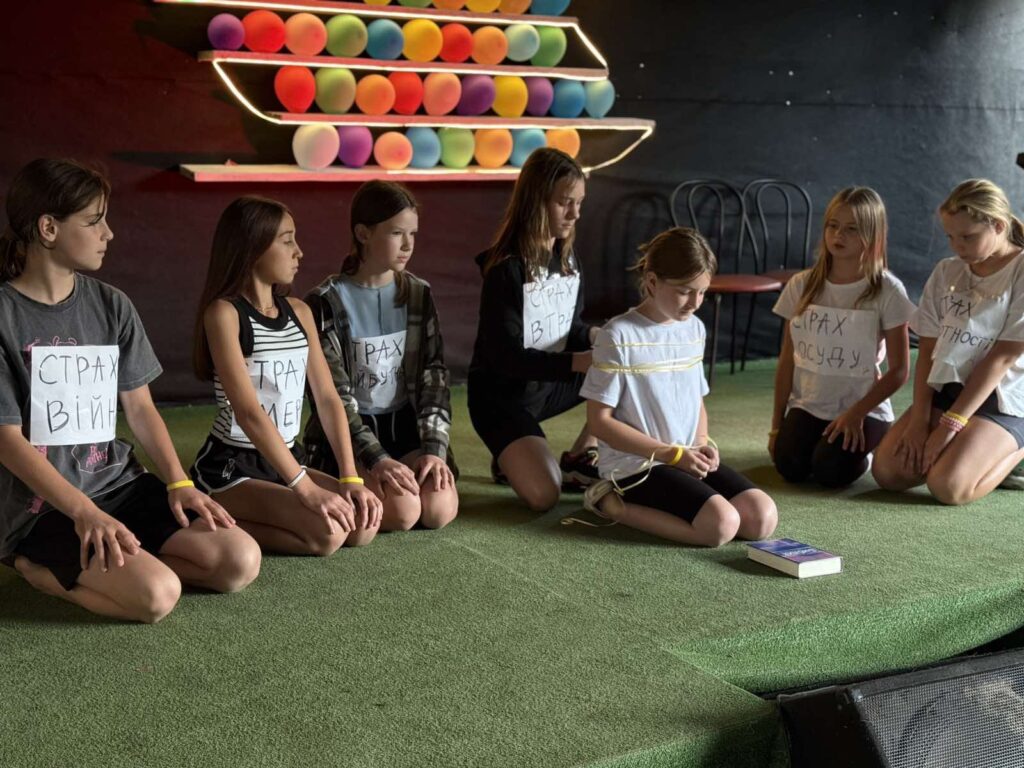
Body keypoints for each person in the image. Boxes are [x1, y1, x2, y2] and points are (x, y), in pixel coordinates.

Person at [0, 159, 260, 622]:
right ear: (48, 228)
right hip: (43, 507)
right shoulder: (5, 315)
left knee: (238, 561)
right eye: (93, 221)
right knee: (156, 596)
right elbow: (6, 440)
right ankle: (31, 565)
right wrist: (84, 512)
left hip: (119, 484)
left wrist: (179, 483)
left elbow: (140, 408)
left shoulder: (112, 304)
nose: (109, 233)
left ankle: (126, 563)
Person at [190, 196, 381, 553]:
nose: (299, 252)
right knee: (329, 535)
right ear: (253, 246)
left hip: (288, 458)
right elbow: (248, 412)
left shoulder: (299, 311)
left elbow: (328, 398)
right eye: (287, 240)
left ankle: (264, 511)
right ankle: (209, 512)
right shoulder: (224, 314)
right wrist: (304, 488)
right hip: (234, 465)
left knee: (360, 526)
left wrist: (350, 476)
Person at [580, 228, 778, 546]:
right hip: (636, 465)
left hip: (684, 457)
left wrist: (700, 444)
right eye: (685, 291)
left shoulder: (694, 329)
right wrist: (672, 455)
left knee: (762, 518)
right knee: (720, 526)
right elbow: (599, 422)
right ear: (652, 281)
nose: (695, 303)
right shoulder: (617, 335)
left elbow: (696, 400)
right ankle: (609, 502)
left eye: (702, 292)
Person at [303, 181, 458, 531]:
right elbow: (334, 398)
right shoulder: (325, 302)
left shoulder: (418, 293)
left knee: (437, 509)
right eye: (396, 233)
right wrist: (376, 459)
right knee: (403, 513)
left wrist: (434, 450)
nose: (408, 245)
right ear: (363, 233)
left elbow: (434, 377)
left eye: (413, 234)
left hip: (405, 425)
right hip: (352, 433)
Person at [873, 179, 1024, 503]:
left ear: (998, 226)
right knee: (888, 472)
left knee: (947, 486)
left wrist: (950, 425)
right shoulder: (946, 271)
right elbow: (928, 349)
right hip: (951, 387)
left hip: (1003, 396)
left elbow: (1002, 358)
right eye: (950, 237)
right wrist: (919, 419)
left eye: (967, 237)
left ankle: (1016, 449)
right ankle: (971, 446)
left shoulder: (1020, 270)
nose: (958, 246)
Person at [467, 148, 600, 512]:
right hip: (500, 399)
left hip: (546, 387)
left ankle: (579, 457)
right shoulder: (505, 270)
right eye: (564, 203)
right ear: (535, 202)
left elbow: (570, 328)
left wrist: (597, 339)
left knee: (623, 364)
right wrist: (578, 362)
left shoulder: (568, 259)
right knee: (544, 496)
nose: (575, 214)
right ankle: (510, 455)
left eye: (579, 203)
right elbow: (505, 358)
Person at [770, 187, 915, 486]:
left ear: (872, 235)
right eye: (833, 226)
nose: (839, 235)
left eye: (852, 229)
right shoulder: (801, 285)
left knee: (829, 472)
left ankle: (869, 451)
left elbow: (900, 371)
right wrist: (776, 426)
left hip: (863, 409)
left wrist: (856, 413)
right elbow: (787, 360)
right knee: (789, 466)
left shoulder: (887, 290)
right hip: (809, 405)